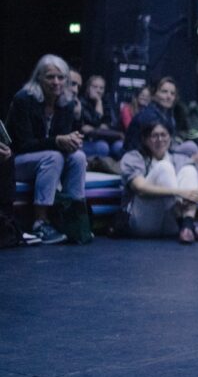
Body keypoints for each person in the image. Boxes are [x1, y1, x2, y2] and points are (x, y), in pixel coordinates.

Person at [5, 54, 87, 244]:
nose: (56, 82)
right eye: (50, 77)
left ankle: (73, 217)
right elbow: (24, 144)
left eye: (61, 77)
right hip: (16, 161)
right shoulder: (24, 99)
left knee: (79, 157)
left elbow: (63, 140)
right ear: (38, 78)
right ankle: (40, 222)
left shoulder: (66, 103)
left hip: (48, 160)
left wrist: (73, 141)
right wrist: (58, 141)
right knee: (54, 157)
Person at [119, 119, 198, 243]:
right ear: (144, 139)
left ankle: (187, 226)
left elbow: (197, 185)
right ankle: (189, 227)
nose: (160, 139)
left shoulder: (179, 158)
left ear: (170, 138)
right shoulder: (133, 157)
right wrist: (178, 192)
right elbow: (140, 187)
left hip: (172, 226)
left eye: (164, 135)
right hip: (143, 222)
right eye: (154, 136)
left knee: (189, 170)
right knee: (164, 167)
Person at [123, 77, 198, 161]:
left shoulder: (166, 115)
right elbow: (156, 149)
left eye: (172, 94)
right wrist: (188, 160)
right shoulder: (148, 116)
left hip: (157, 155)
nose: (169, 96)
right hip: (139, 159)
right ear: (153, 95)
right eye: (164, 92)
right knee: (191, 150)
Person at [79, 75, 124, 158]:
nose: (98, 90)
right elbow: (86, 128)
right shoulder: (81, 103)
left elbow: (113, 124)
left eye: (101, 88)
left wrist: (97, 128)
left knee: (119, 146)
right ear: (88, 88)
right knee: (103, 147)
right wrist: (98, 102)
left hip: (106, 139)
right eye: (95, 87)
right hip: (87, 141)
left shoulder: (107, 103)